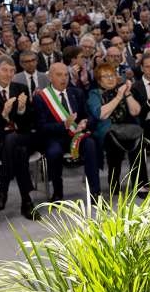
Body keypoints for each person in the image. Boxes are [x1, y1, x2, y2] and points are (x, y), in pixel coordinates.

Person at [0, 56, 37, 220]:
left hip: (22, 135)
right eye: (4, 70)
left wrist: (21, 109)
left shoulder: (21, 88)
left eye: (12, 70)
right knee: (19, 151)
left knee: (14, 140)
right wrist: (3, 114)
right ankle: (26, 201)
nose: (9, 74)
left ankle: (2, 191)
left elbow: (30, 121)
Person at [34, 62, 100, 200]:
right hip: (54, 137)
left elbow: (88, 115)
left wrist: (85, 122)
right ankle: (58, 192)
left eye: (66, 75)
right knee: (54, 152)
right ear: (50, 77)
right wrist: (63, 125)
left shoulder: (76, 93)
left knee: (90, 144)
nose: (64, 79)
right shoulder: (41, 98)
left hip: (76, 135)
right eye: (59, 75)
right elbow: (41, 127)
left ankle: (95, 192)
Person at [87, 64, 148, 195]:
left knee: (138, 136)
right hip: (106, 131)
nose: (110, 79)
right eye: (106, 76)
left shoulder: (121, 90)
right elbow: (101, 114)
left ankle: (140, 183)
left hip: (126, 128)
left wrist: (127, 93)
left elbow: (136, 111)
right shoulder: (94, 94)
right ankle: (114, 181)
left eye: (112, 75)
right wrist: (119, 97)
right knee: (113, 140)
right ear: (99, 80)